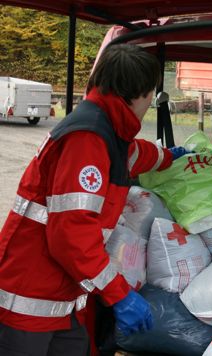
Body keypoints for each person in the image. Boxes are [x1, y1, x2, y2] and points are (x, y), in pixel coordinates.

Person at [0, 43, 188, 355]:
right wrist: (119, 295)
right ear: (140, 94)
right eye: (152, 96)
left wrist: (171, 156)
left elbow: (132, 154)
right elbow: (71, 235)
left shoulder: (106, 129)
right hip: (29, 298)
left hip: (61, 295)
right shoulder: (87, 138)